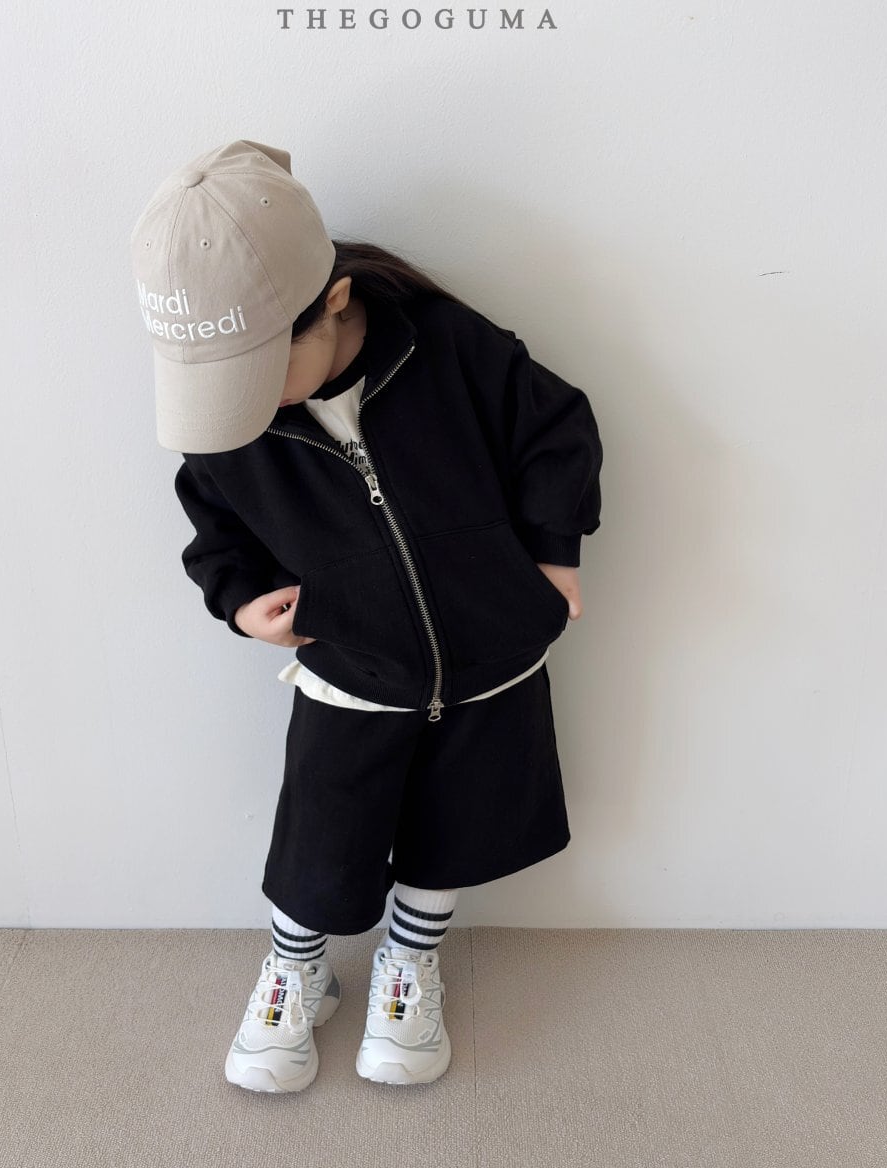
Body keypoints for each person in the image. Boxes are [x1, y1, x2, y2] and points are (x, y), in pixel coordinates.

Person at [130, 139, 604, 1093]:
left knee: (457, 824)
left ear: (336, 301)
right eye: (221, 382)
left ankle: (410, 963)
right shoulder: (232, 427)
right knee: (322, 840)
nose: (246, 404)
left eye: (261, 369)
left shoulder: (446, 345)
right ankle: (296, 970)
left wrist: (554, 555)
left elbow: (555, 428)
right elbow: (215, 529)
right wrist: (242, 606)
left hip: (493, 654)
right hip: (351, 666)